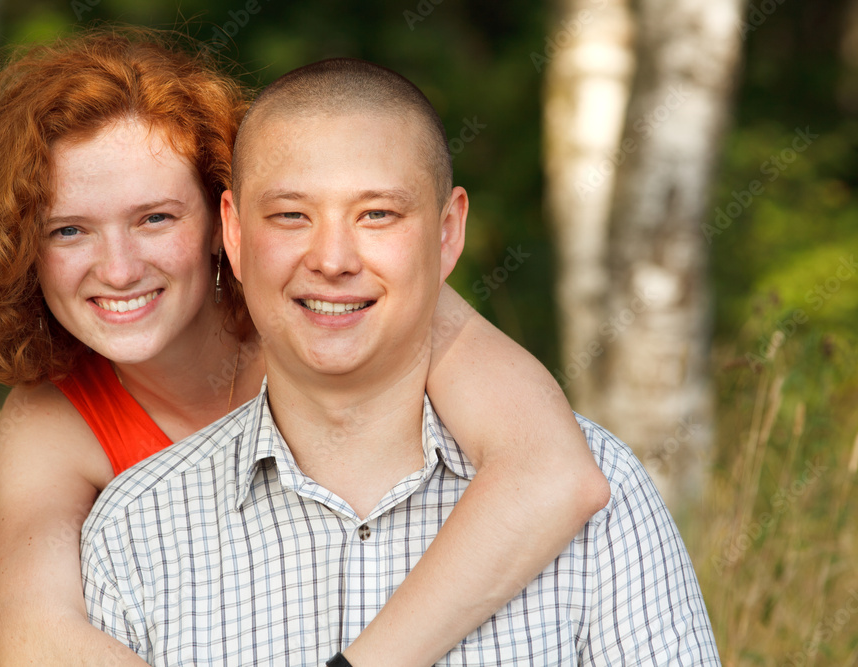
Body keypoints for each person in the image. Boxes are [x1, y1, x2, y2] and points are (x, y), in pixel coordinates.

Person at [0, 28, 609, 667]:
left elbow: (553, 475)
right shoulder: (53, 419)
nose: (118, 267)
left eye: (154, 217)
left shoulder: (338, 304)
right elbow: (35, 636)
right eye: (69, 229)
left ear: (221, 221)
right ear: (22, 250)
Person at [82, 57, 721, 665]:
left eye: (378, 214)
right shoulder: (138, 530)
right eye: (291, 215)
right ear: (236, 235)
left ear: (447, 233)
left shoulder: (603, 493)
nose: (332, 259)